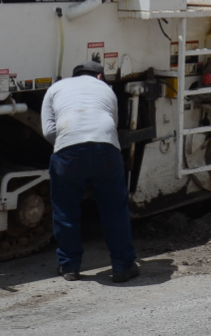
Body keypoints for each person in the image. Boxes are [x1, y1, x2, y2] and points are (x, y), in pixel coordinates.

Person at [41, 61, 139, 282]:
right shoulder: (106, 89)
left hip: (68, 153)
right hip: (106, 150)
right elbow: (112, 122)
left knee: (65, 209)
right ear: (100, 77)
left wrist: (70, 143)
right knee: (114, 209)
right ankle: (123, 266)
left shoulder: (55, 88)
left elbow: (48, 131)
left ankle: (70, 268)